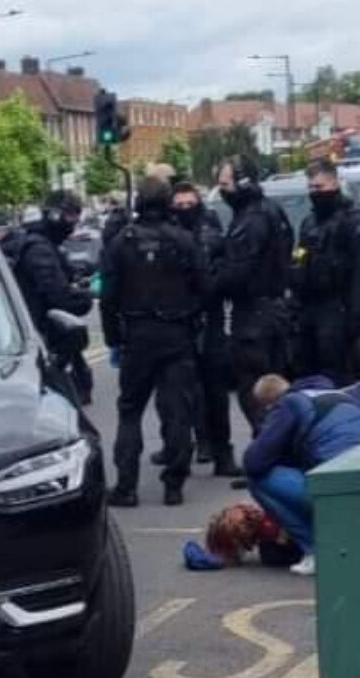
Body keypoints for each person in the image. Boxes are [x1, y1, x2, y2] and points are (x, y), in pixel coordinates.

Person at [239, 374, 360, 576]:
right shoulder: (342, 395)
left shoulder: (289, 405)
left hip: (342, 492)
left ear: (270, 406)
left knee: (259, 480)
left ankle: (314, 551)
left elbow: (254, 463)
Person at [101, 177, 208, 508]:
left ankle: (126, 486)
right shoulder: (184, 240)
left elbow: (107, 297)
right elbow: (204, 287)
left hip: (138, 335)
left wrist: (113, 337)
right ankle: (174, 484)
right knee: (177, 411)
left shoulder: (121, 243)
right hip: (176, 334)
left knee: (130, 410)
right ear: (167, 203)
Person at [212, 155, 293, 430]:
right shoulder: (271, 210)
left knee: (254, 392)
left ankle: (269, 452)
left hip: (254, 317)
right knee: (276, 388)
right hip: (276, 310)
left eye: (225, 183)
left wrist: (212, 280)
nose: (221, 190)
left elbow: (238, 272)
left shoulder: (251, 219)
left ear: (242, 182)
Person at [168, 181, 242, 477]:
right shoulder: (169, 238)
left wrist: (208, 288)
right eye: (180, 205)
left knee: (215, 391)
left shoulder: (212, 236)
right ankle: (192, 447)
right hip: (179, 323)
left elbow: (224, 274)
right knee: (181, 394)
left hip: (208, 322)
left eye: (190, 204)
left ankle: (221, 452)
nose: (185, 210)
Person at [1, 191, 95, 403]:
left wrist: (76, 273)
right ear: (54, 215)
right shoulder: (38, 247)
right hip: (41, 329)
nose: (74, 222)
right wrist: (83, 298)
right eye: (70, 216)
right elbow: (56, 293)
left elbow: (62, 272)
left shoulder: (43, 243)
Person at [289, 159, 360, 385]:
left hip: (338, 306)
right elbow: (299, 258)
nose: (314, 193)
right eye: (311, 188)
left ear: (335, 183)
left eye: (319, 187)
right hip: (310, 308)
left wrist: (357, 317)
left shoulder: (351, 220)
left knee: (338, 375)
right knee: (308, 374)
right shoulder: (309, 223)